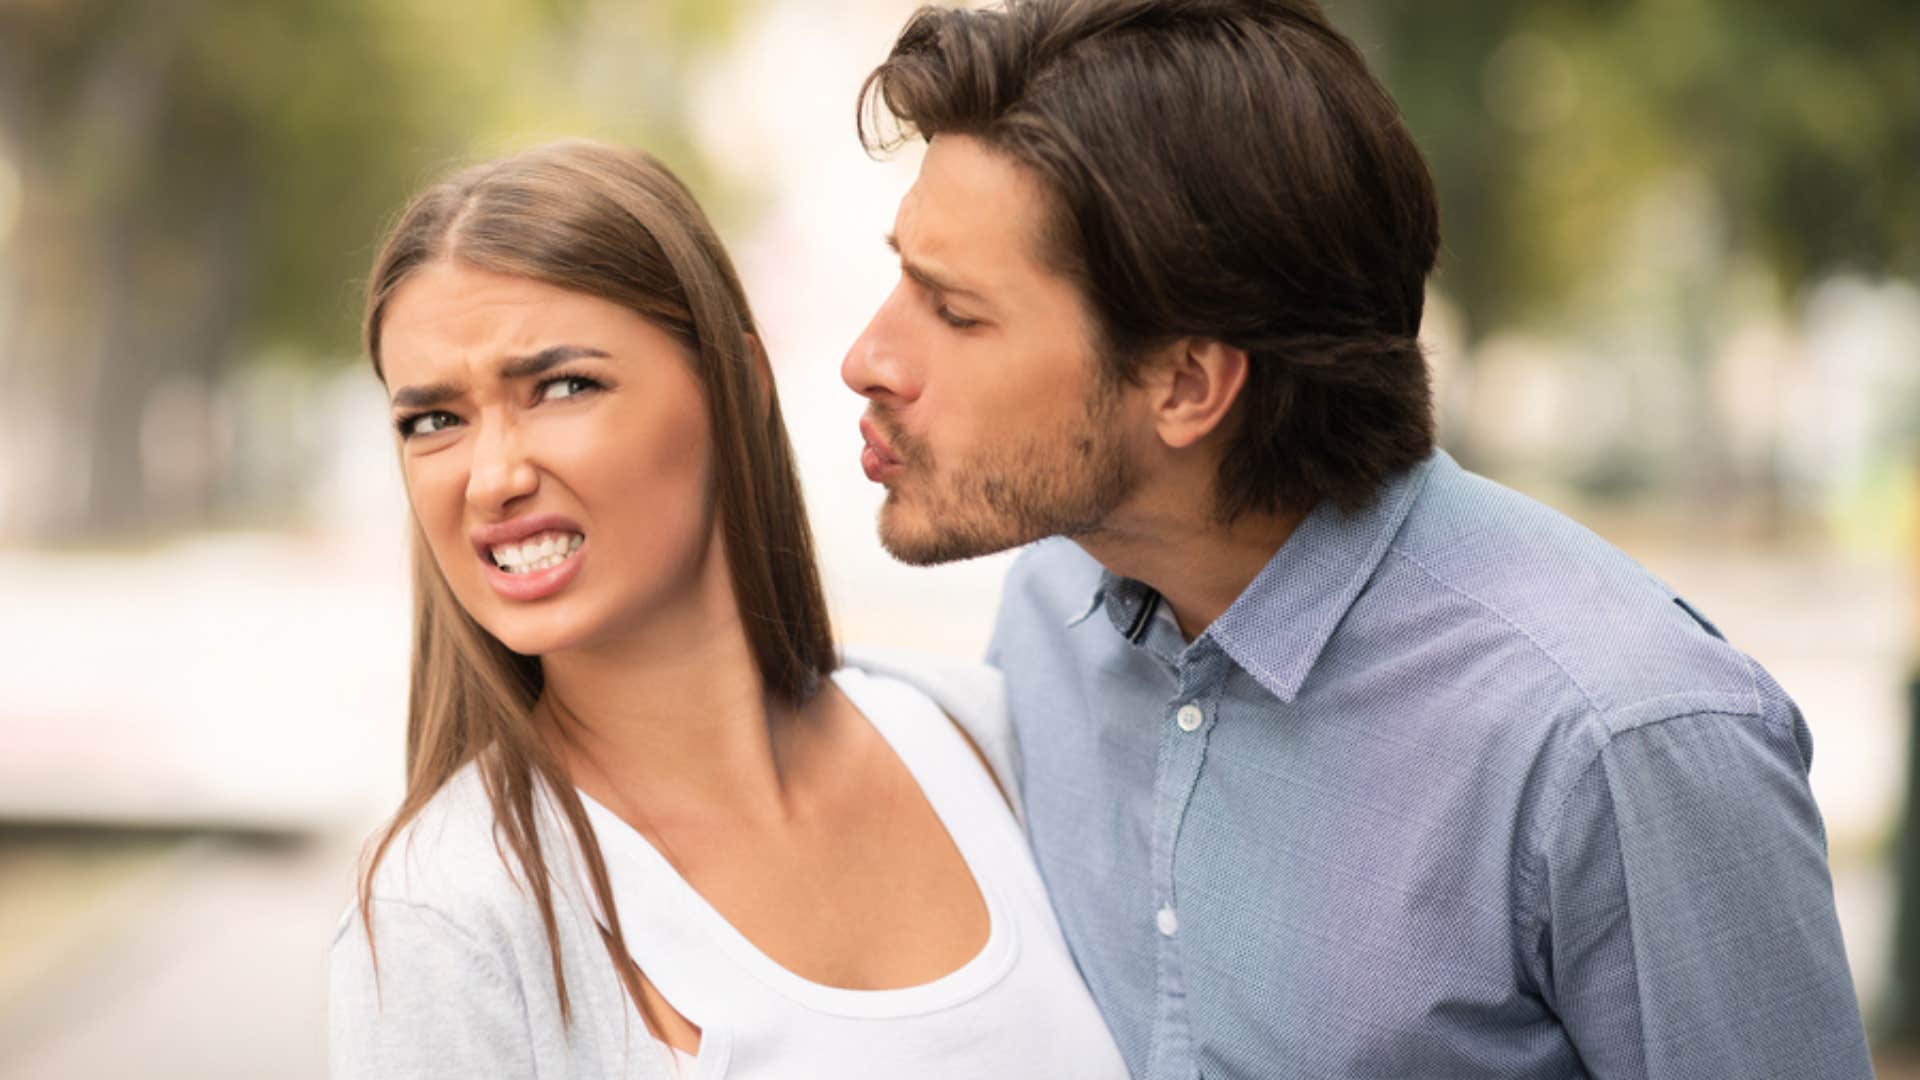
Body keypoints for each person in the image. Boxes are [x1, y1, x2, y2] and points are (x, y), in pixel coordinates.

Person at [842, 1, 1874, 1077]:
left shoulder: (1618, 742)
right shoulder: (1054, 610)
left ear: (1188, 384)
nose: (868, 356)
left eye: (954, 312)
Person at [328, 140, 1128, 1080]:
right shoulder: (449, 912)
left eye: (562, 387)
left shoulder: (978, 735)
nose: (493, 478)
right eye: (434, 420)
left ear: (738, 386)